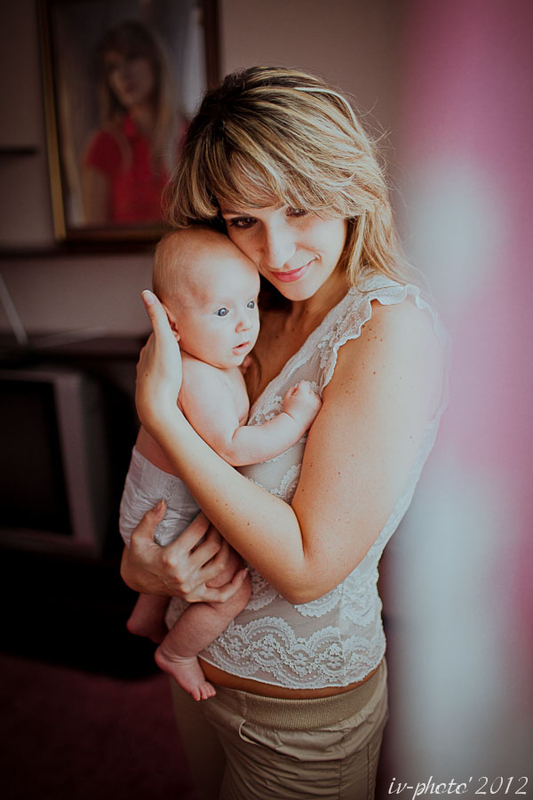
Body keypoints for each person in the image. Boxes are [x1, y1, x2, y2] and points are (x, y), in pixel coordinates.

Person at [121, 66, 448, 800]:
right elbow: (168, 491)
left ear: (349, 186)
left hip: (300, 716)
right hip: (197, 666)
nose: (275, 253)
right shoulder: (243, 312)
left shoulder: (386, 329)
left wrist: (164, 416)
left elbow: (305, 569)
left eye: (299, 208)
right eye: (244, 220)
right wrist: (145, 572)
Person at [119, 226, 321, 701]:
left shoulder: (209, 361)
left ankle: (145, 615)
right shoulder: (194, 377)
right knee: (233, 591)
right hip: (165, 515)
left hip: (157, 504)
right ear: (172, 325)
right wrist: (294, 419)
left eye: (249, 303)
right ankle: (177, 652)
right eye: (223, 312)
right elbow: (231, 446)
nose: (245, 324)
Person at [81, 21, 183, 225]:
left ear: (155, 61)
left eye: (131, 58)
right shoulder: (104, 144)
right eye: (112, 67)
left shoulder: (194, 135)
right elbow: (94, 233)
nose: (122, 74)